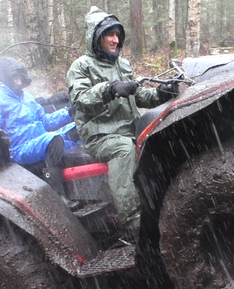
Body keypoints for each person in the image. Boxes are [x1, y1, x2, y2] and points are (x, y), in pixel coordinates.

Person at [66, 6, 178, 229]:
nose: (115, 40)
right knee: (124, 148)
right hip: (100, 135)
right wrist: (110, 89)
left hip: (130, 128)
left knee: (159, 136)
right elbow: (80, 99)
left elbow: (139, 96)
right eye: (110, 34)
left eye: (117, 35)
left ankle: (162, 200)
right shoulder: (81, 67)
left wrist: (161, 94)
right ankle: (132, 219)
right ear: (96, 37)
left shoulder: (122, 64)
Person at [0, 57, 90, 207]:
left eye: (20, 78)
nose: (18, 82)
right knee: (52, 140)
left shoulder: (27, 97)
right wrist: (2, 156)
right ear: (5, 77)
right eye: (15, 78)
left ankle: (88, 187)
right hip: (18, 149)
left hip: (39, 140)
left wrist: (70, 111)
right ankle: (59, 196)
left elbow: (46, 121)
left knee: (79, 129)